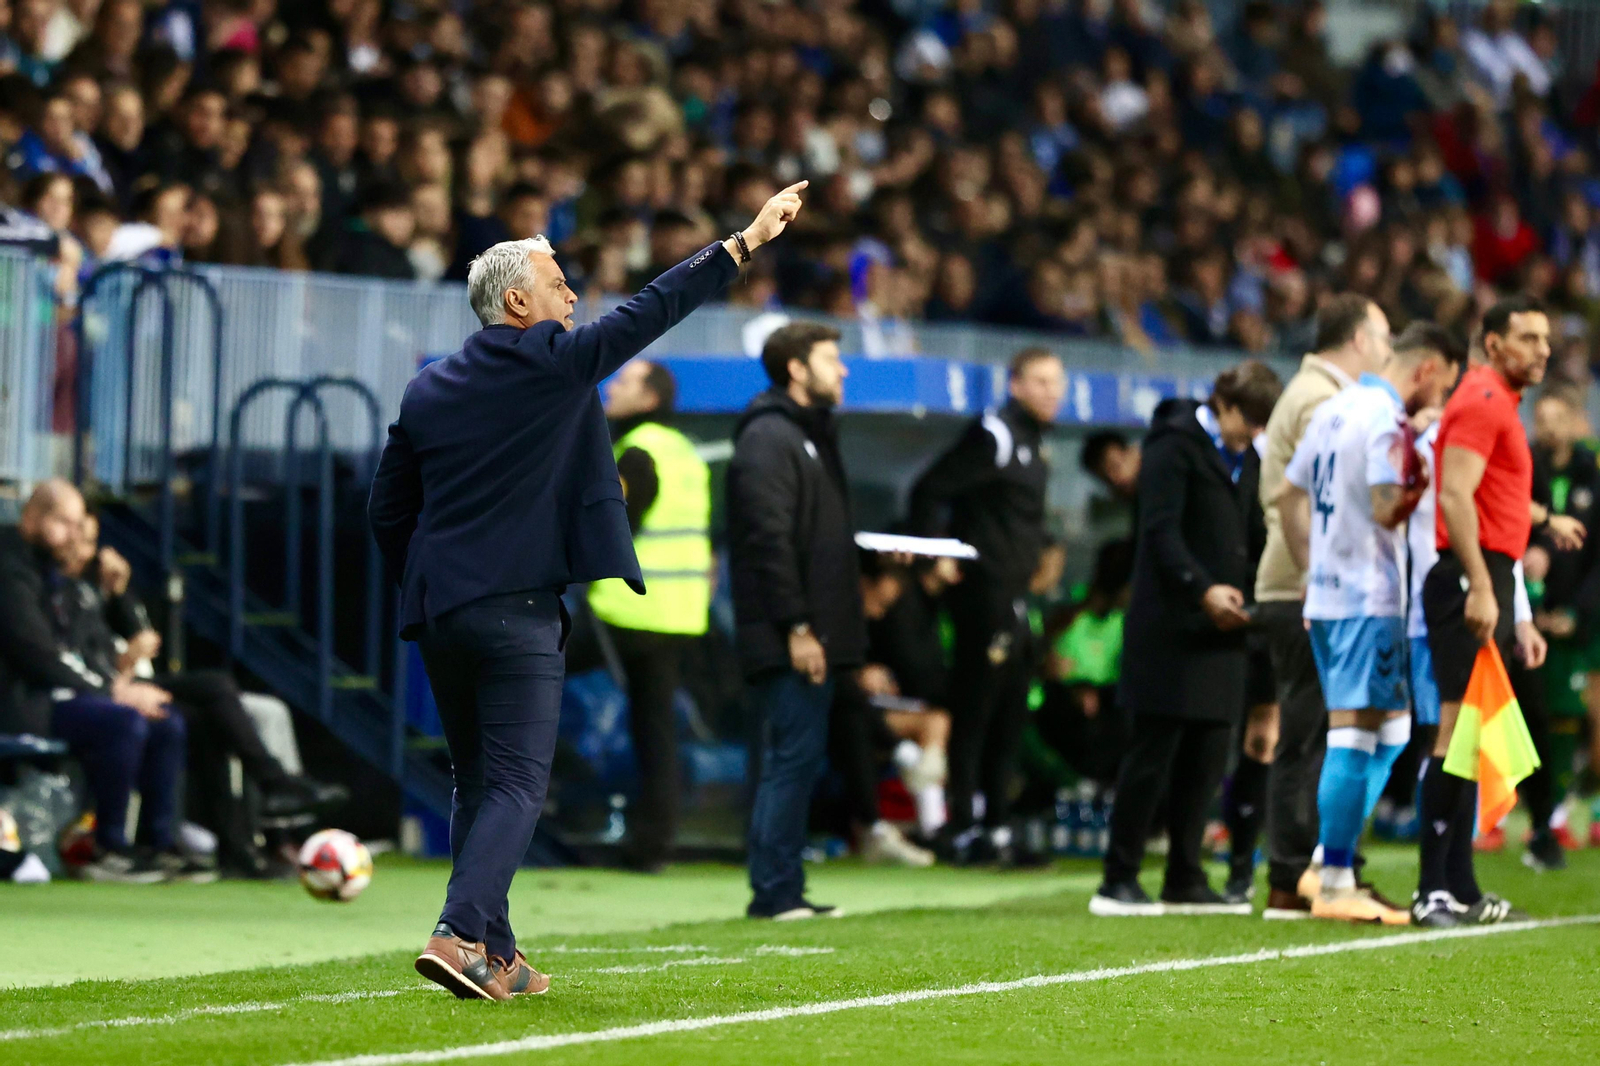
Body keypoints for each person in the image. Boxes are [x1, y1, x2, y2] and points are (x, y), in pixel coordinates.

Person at [370, 181, 810, 998]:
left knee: (478, 780)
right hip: (517, 611)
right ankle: (458, 932)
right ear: (515, 302)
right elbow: (652, 309)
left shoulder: (428, 386)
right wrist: (743, 243)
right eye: (557, 282)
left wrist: (429, 582)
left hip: (438, 611)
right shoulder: (550, 360)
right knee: (514, 784)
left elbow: (386, 508)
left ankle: (498, 955)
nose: (572, 294)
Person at [1277, 322, 1465, 923]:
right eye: (1440, 390)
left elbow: (1288, 494)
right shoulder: (1384, 419)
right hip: (1369, 597)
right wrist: (1427, 476)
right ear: (1428, 369)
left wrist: (1312, 567)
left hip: (1329, 597)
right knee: (1355, 733)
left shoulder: (1333, 410)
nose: (1433, 404)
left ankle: (1324, 863)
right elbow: (1388, 509)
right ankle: (1333, 878)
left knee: (1391, 730)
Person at [1092, 360, 1282, 916]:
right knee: (1151, 754)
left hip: (1224, 633)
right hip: (1169, 629)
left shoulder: (1245, 461)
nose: (1253, 433)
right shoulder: (1173, 448)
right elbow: (1160, 533)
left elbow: (1252, 534)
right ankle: (1118, 878)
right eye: (1247, 420)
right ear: (1222, 404)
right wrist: (1202, 590)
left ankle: (1185, 876)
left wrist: (1258, 592)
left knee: (1207, 758)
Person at [1415, 296, 1582, 927]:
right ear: (1493, 345)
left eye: (1546, 338)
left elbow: (1493, 492)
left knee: (1475, 734)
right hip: (1467, 575)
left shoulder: (1498, 403)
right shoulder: (1483, 401)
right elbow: (1455, 493)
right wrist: (1484, 587)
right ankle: (1432, 888)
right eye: (1528, 338)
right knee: (1458, 731)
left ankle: (1459, 884)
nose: (1543, 349)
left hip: (1484, 571)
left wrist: (1543, 519)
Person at [71, 512, 345, 878]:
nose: (91, 553)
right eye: (84, 541)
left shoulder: (100, 590)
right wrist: (122, 669)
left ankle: (240, 848)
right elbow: (93, 660)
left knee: (213, 721)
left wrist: (120, 593)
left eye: (93, 541)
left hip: (139, 685)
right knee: (215, 686)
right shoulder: (69, 593)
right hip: (113, 691)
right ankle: (274, 785)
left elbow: (142, 635)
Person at [1254, 294, 1391, 920]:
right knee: (1316, 737)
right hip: (1307, 590)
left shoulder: (1314, 391)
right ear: (1359, 338)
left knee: (1319, 735)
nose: (1389, 351)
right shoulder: (1323, 400)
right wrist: (1316, 573)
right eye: (1384, 336)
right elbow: (1299, 496)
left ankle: (1315, 872)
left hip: (1305, 586)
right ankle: (1303, 876)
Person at [726, 321, 863, 919]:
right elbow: (767, 540)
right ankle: (775, 892)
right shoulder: (770, 437)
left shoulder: (807, 434)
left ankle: (786, 887)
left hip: (810, 630)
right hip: (789, 635)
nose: (844, 370)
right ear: (797, 369)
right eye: (832, 358)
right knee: (787, 760)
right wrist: (798, 626)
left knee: (799, 761)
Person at [908, 348, 1066, 865]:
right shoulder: (993, 433)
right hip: (983, 593)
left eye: (1056, 383)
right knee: (976, 710)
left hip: (1017, 596)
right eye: (1040, 381)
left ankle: (998, 825)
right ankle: (964, 826)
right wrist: (937, 557)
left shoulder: (1036, 442)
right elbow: (930, 488)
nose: (1051, 392)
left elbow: (1016, 515)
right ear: (1014, 384)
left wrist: (1046, 549)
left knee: (1011, 710)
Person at [0, 480, 184, 883]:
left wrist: (116, 683)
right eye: (63, 523)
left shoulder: (58, 574)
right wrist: (114, 692)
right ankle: (107, 847)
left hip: (70, 695)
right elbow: (36, 655)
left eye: (78, 525)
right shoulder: (10, 567)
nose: (74, 536)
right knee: (124, 722)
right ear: (31, 518)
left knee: (165, 720)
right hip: (25, 703)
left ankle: (158, 844)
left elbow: (86, 646)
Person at [587, 359, 711, 874]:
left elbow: (615, 528)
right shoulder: (685, 452)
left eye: (624, 382)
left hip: (626, 611)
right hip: (678, 616)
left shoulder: (637, 453)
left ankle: (523, 803)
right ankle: (652, 845)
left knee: (526, 677)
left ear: (650, 398)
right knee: (656, 733)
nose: (611, 388)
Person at [1523, 386, 1600, 865]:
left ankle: (1584, 807)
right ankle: (1539, 815)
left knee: (1587, 716)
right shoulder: (1525, 469)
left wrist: (1578, 613)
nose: (1548, 426)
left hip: (1584, 622)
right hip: (1530, 618)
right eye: (1542, 416)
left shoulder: (1591, 475)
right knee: (1536, 717)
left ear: (1576, 421)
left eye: (1558, 417)